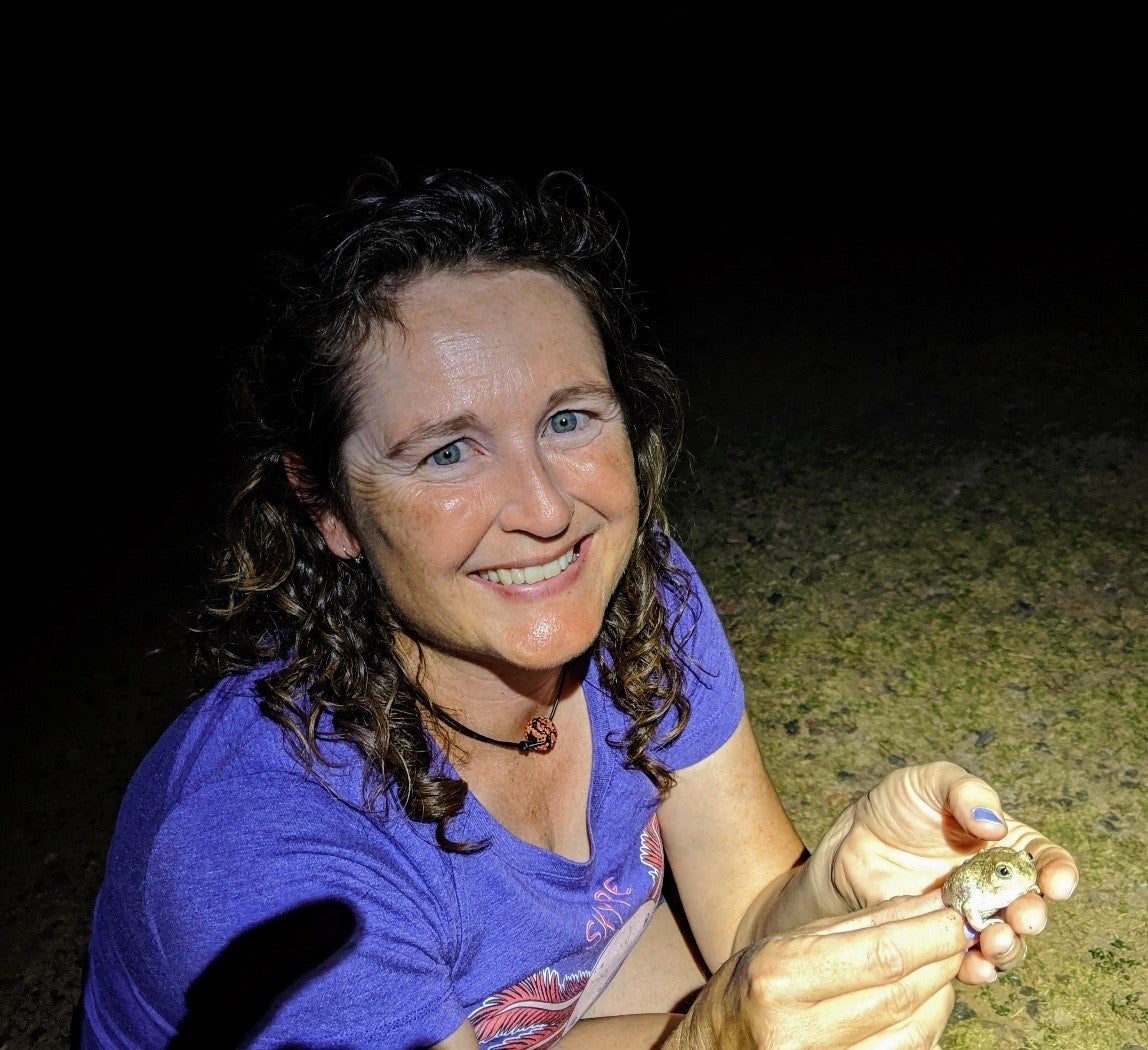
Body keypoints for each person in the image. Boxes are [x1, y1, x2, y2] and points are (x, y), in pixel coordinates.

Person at [79, 159, 1079, 1049]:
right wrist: (715, 1041)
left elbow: (747, 926)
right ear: (325, 505)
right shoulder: (262, 847)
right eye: (447, 450)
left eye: (566, 418)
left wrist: (841, 885)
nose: (547, 511)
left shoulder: (634, 589)